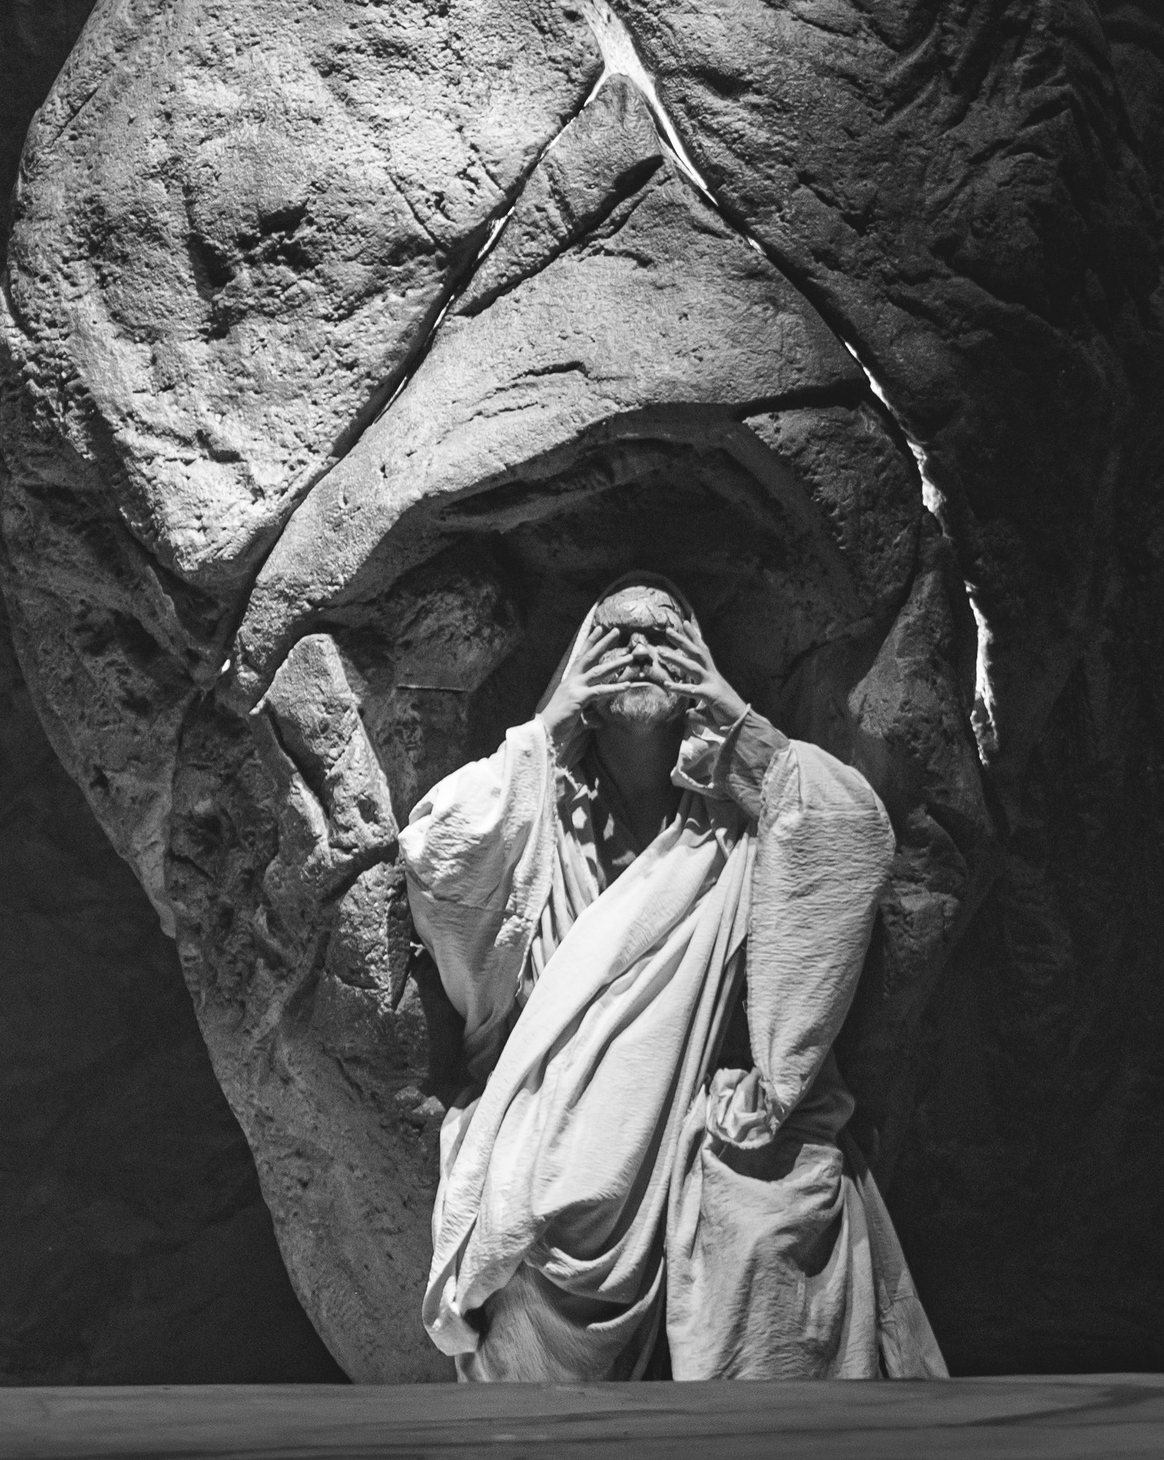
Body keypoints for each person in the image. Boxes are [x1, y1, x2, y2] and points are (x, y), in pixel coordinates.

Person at [398, 573, 948, 1382]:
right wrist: (547, 726)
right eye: (615, 636)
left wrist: (740, 725)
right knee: (561, 1209)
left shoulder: (738, 814)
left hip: (715, 1098)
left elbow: (850, 830)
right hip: (561, 1112)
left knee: (769, 1222)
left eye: (664, 635)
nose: (640, 651)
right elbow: (441, 855)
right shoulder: (542, 811)